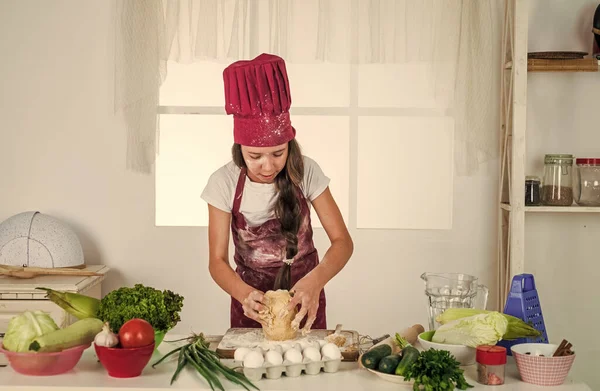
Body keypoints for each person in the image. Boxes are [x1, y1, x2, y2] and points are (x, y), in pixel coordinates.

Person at [201, 53, 353, 334]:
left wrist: (314, 281)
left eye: (278, 153)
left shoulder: (305, 172)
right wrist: (243, 294)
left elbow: (343, 242)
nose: (268, 166)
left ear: (289, 146)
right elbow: (217, 261)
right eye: (255, 156)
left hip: (305, 303)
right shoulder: (223, 183)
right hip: (252, 308)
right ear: (240, 149)